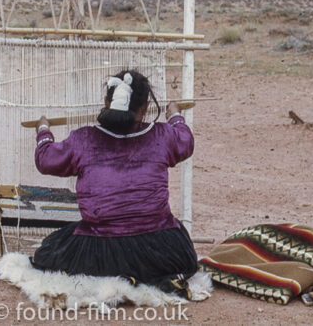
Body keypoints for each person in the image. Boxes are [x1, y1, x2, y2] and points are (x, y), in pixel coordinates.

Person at [31, 69, 197, 298]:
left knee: (48, 252)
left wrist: (43, 130)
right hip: (160, 249)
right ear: (145, 106)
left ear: (106, 102)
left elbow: (46, 159)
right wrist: (175, 115)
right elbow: (185, 142)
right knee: (176, 236)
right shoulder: (163, 136)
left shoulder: (83, 140)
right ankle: (144, 275)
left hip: (100, 250)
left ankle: (116, 276)